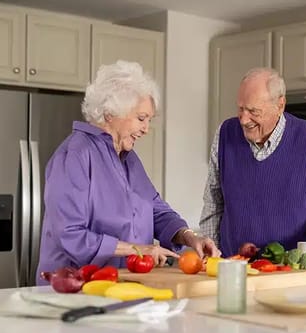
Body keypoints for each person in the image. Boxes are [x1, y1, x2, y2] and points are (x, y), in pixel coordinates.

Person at [36, 60, 220, 285]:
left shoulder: (128, 157)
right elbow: (70, 235)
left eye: (149, 120)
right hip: (75, 289)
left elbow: (155, 209)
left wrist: (190, 237)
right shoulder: (75, 156)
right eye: (141, 118)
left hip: (120, 285)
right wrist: (137, 249)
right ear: (111, 113)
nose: (146, 129)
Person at [199, 67, 306, 263]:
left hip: (289, 273)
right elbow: (213, 203)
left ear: (280, 106)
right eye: (241, 109)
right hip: (235, 268)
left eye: (254, 111)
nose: (244, 120)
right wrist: (214, 255)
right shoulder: (225, 134)